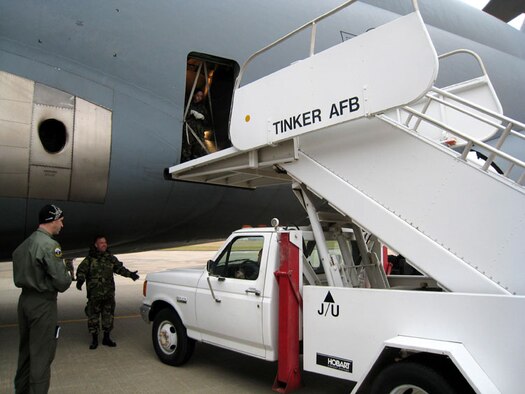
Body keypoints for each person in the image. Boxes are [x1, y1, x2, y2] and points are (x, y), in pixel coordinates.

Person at [12, 204, 72, 394]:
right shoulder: (49, 245)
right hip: (42, 305)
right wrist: (69, 274)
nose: (62, 225)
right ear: (52, 220)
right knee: (42, 356)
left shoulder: (25, 244)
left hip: (25, 302)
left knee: (26, 355)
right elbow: (62, 283)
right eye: (60, 221)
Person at [75, 235, 139, 349]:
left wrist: (131, 275)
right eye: (101, 243)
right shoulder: (90, 259)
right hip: (94, 294)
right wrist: (80, 280)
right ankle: (94, 340)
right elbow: (81, 270)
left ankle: (106, 338)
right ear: (96, 245)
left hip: (108, 294)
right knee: (93, 317)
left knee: (108, 317)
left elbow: (120, 269)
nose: (104, 244)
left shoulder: (110, 258)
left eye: (105, 242)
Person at [182, 89, 210, 160]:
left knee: (198, 154)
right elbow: (182, 116)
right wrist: (190, 112)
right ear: (194, 95)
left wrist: (203, 117)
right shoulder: (188, 104)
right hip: (189, 132)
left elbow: (207, 122)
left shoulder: (202, 108)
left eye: (201, 96)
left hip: (199, 134)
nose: (199, 98)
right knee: (186, 153)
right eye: (197, 95)